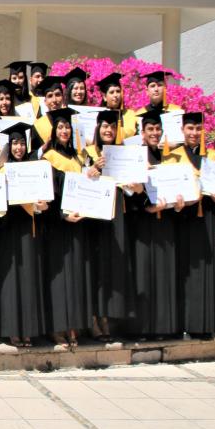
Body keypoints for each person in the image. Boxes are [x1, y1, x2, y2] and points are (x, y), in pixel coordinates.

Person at [165, 112, 215, 339]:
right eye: (190, 129)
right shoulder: (172, 157)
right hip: (181, 223)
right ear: (182, 131)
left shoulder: (214, 158)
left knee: (205, 273)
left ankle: (202, 325)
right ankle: (178, 323)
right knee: (181, 272)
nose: (194, 133)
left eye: (198, 129)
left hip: (207, 222)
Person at [127, 109, 184, 340]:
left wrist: (178, 205)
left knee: (164, 274)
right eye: (150, 129)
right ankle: (143, 329)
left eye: (157, 129)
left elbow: (178, 191)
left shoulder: (168, 159)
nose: (154, 133)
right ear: (142, 132)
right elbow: (128, 193)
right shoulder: (135, 158)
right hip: (142, 225)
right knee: (144, 274)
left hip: (165, 225)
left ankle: (164, 327)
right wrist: (145, 205)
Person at [82, 110, 134, 341]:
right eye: (104, 126)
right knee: (95, 265)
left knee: (110, 266)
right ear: (97, 128)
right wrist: (92, 170)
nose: (108, 130)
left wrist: (136, 185)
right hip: (94, 217)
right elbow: (79, 182)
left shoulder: (123, 155)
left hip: (116, 216)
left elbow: (133, 191)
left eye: (112, 127)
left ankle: (105, 316)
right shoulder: (87, 153)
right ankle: (94, 317)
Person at [0, 123, 47, 348]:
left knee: (27, 278)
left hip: (28, 228)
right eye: (15, 143)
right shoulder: (2, 171)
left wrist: (41, 206)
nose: (18, 147)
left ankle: (28, 330)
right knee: (10, 281)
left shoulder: (34, 168)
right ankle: (12, 331)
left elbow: (42, 201)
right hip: (8, 228)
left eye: (22, 143)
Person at [41, 107, 88, 348]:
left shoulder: (79, 159)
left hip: (77, 224)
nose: (65, 131)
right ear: (54, 131)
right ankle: (56, 326)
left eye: (67, 127)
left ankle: (73, 325)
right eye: (60, 127)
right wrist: (62, 216)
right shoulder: (48, 159)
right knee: (58, 276)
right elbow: (48, 195)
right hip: (57, 225)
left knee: (76, 275)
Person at [95, 73, 137, 141]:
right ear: (105, 97)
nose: (116, 95)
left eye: (118, 91)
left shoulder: (130, 114)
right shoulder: (98, 115)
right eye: (111, 92)